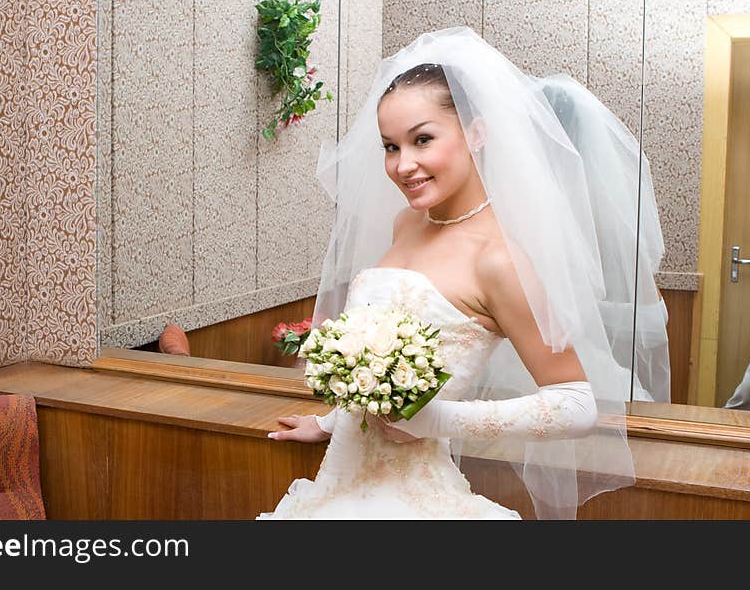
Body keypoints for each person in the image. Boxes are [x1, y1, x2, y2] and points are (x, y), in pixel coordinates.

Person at [258, 27, 659, 520]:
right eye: (390, 146)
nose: (404, 165)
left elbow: (577, 405)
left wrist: (440, 418)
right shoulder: (405, 223)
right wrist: (332, 419)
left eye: (423, 139)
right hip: (335, 483)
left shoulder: (499, 258)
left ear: (476, 133)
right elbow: (385, 368)